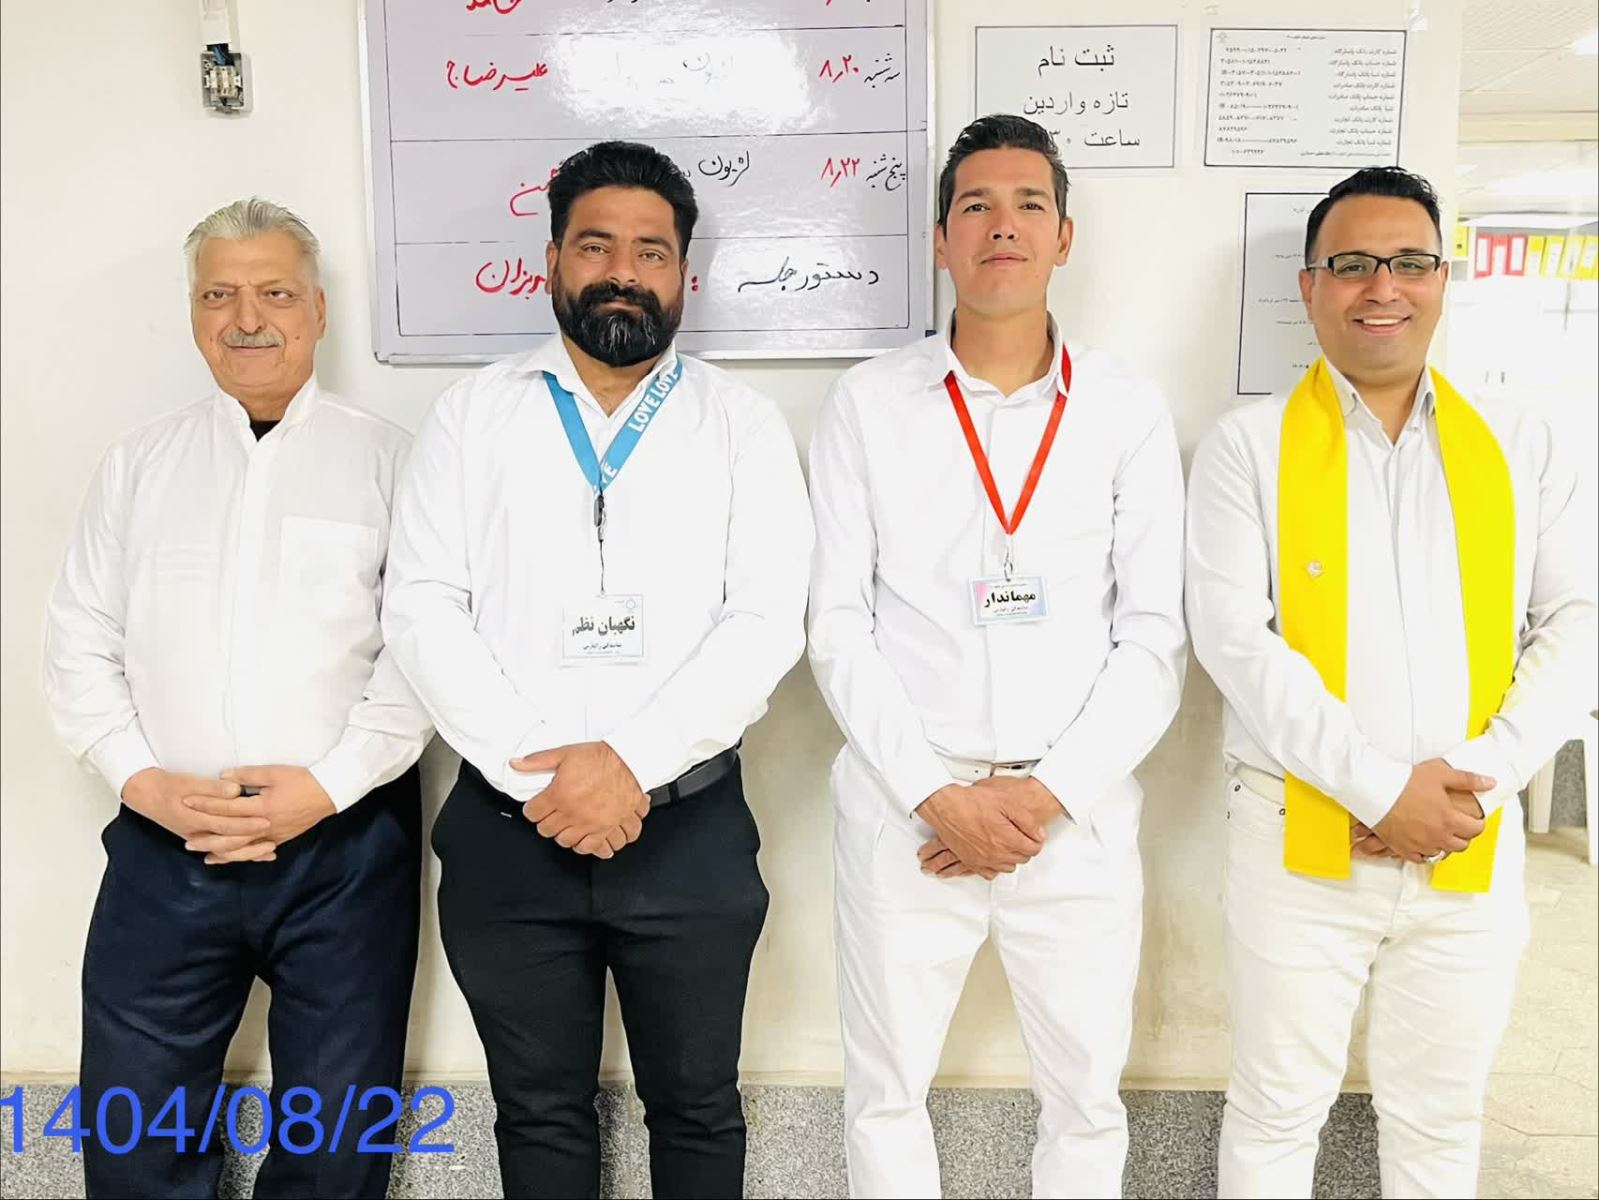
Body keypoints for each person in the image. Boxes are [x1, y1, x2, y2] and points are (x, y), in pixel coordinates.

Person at [381, 140, 814, 1200]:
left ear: (684, 275)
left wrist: (626, 765)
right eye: (596, 245)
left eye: (651, 252)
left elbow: (765, 622)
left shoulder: (742, 426)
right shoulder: (472, 416)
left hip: (688, 830)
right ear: (551, 261)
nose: (624, 271)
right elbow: (422, 608)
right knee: (537, 1112)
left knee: (698, 1107)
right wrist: (547, 776)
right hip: (507, 832)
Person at [1185, 166, 1597, 1199]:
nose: (1383, 287)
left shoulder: (1521, 442)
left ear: (1442, 279)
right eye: (1353, 264)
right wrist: (1379, 790)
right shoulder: (1247, 448)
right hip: (1297, 840)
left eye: (1410, 262)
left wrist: (1475, 783)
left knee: (1440, 1118)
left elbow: (1576, 620)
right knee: (1276, 1109)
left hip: (1470, 836)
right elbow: (1235, 641)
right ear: (1310, 285)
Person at [807, 114, 1188, 1199]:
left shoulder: (1124, 409)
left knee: (1086, 1100)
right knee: (884, 1092)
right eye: (975, 206)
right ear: (941, 240)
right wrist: (937, 795)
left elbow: (1153, 636)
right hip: (905, 809)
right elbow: (835, 624)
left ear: (1064, 237)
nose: (1002, 226)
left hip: (1073, 814)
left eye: (1029, 205)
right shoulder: (868, 404)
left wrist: (1044, 796)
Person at [43, 197, 432, 1199]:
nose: (247, 318)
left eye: (275, 294)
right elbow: (79, 638)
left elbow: (423, 655)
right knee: (136, 1145)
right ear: (192, 311)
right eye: (219, 295)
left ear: (318, 310)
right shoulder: (138, 464)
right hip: (163, 845)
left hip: (344, 852)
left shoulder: (393, 462)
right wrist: (144, 783)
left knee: (336, 1152)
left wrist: (327, 787)